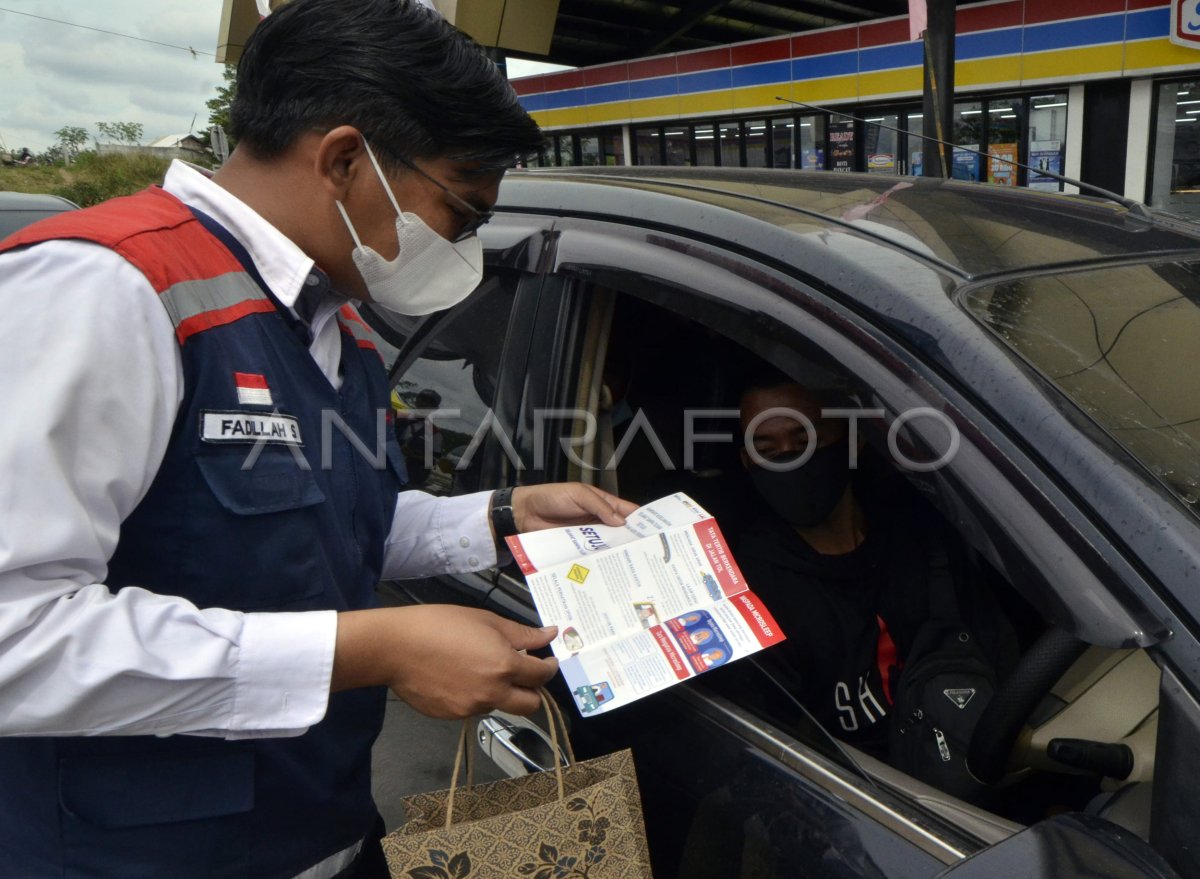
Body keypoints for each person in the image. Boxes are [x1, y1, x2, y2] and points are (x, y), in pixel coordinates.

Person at [0, 2, 636, 877]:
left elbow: (327, 522)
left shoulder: (335, 326)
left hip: (322, 830)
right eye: (462, 211)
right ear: (345, 160)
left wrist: (502, 513)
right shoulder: (107, 289)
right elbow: (15, 635)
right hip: (138, 856)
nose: (464, 246)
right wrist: (376, 647)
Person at [729, 373, 1015, 759]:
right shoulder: (751, 596)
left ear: (852, 439)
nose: (789, 459)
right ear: (748, 462)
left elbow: (998, 652)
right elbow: (774, 751)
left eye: (805, 440)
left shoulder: (920, 533)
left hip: (977, 753)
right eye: (768, 450)